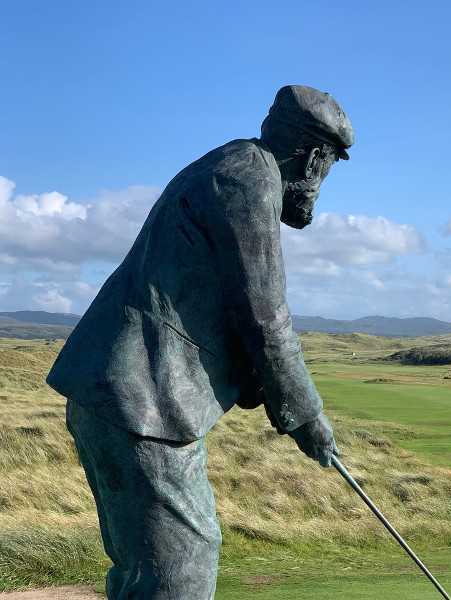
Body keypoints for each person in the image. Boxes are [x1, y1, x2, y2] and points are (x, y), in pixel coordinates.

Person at [45, 84, 354, 599]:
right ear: (317, 157)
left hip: (123, 397)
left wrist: (271, 395)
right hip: (140, 402)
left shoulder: (227, 165)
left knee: (149, 574)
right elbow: (265, 317)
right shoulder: (250, 174)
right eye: (330, 167)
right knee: (179, 574)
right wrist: (307, 415)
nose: (322, 183)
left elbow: (234, 314)